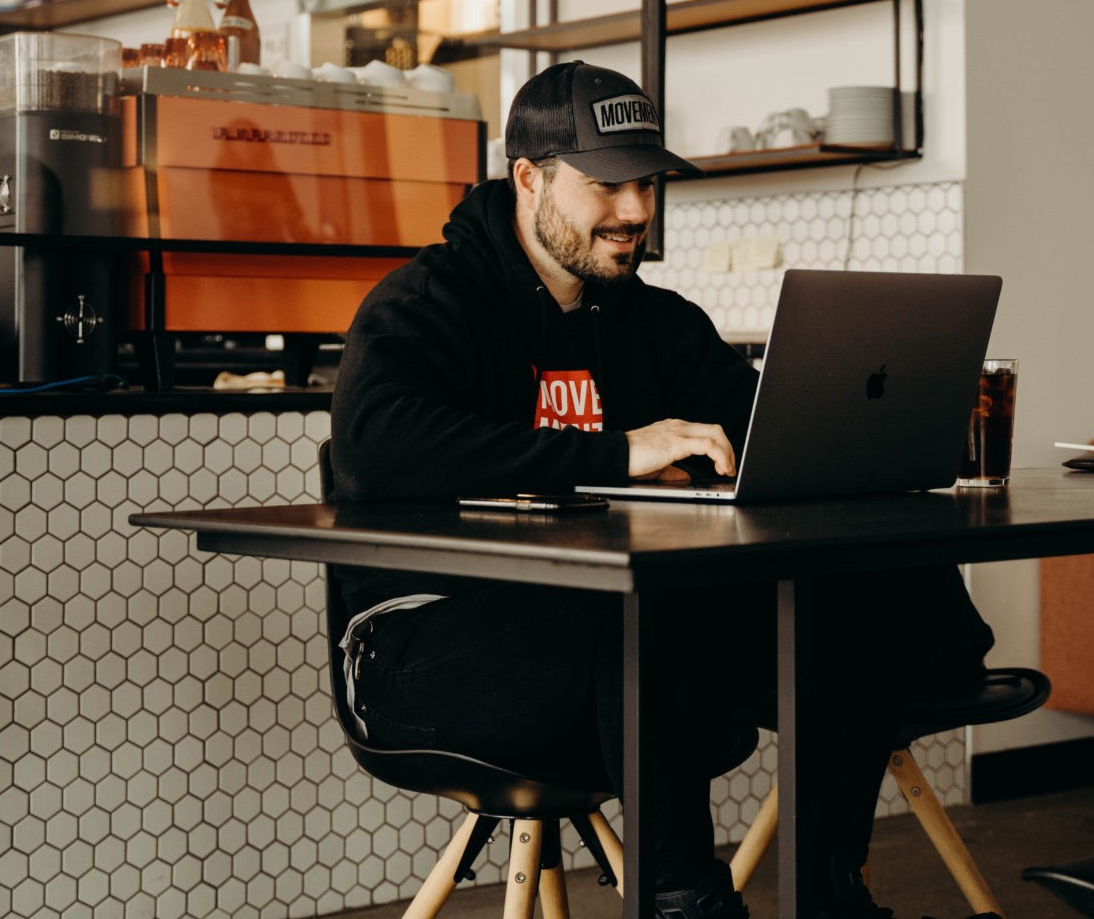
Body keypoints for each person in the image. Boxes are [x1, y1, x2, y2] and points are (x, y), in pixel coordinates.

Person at [330, 62, 993, 919]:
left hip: (618, 637)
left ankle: (831, 892)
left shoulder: (659, 325)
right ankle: (687, 903)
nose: (636, 211)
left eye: (646, 182)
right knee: (639, 615)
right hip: (421, 644)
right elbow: (377, 450)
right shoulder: (427, 302)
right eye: (606, 185)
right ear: (528, 178)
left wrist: (857, 435)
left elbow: (770, 442)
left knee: (837, 598)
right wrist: (616, 451)